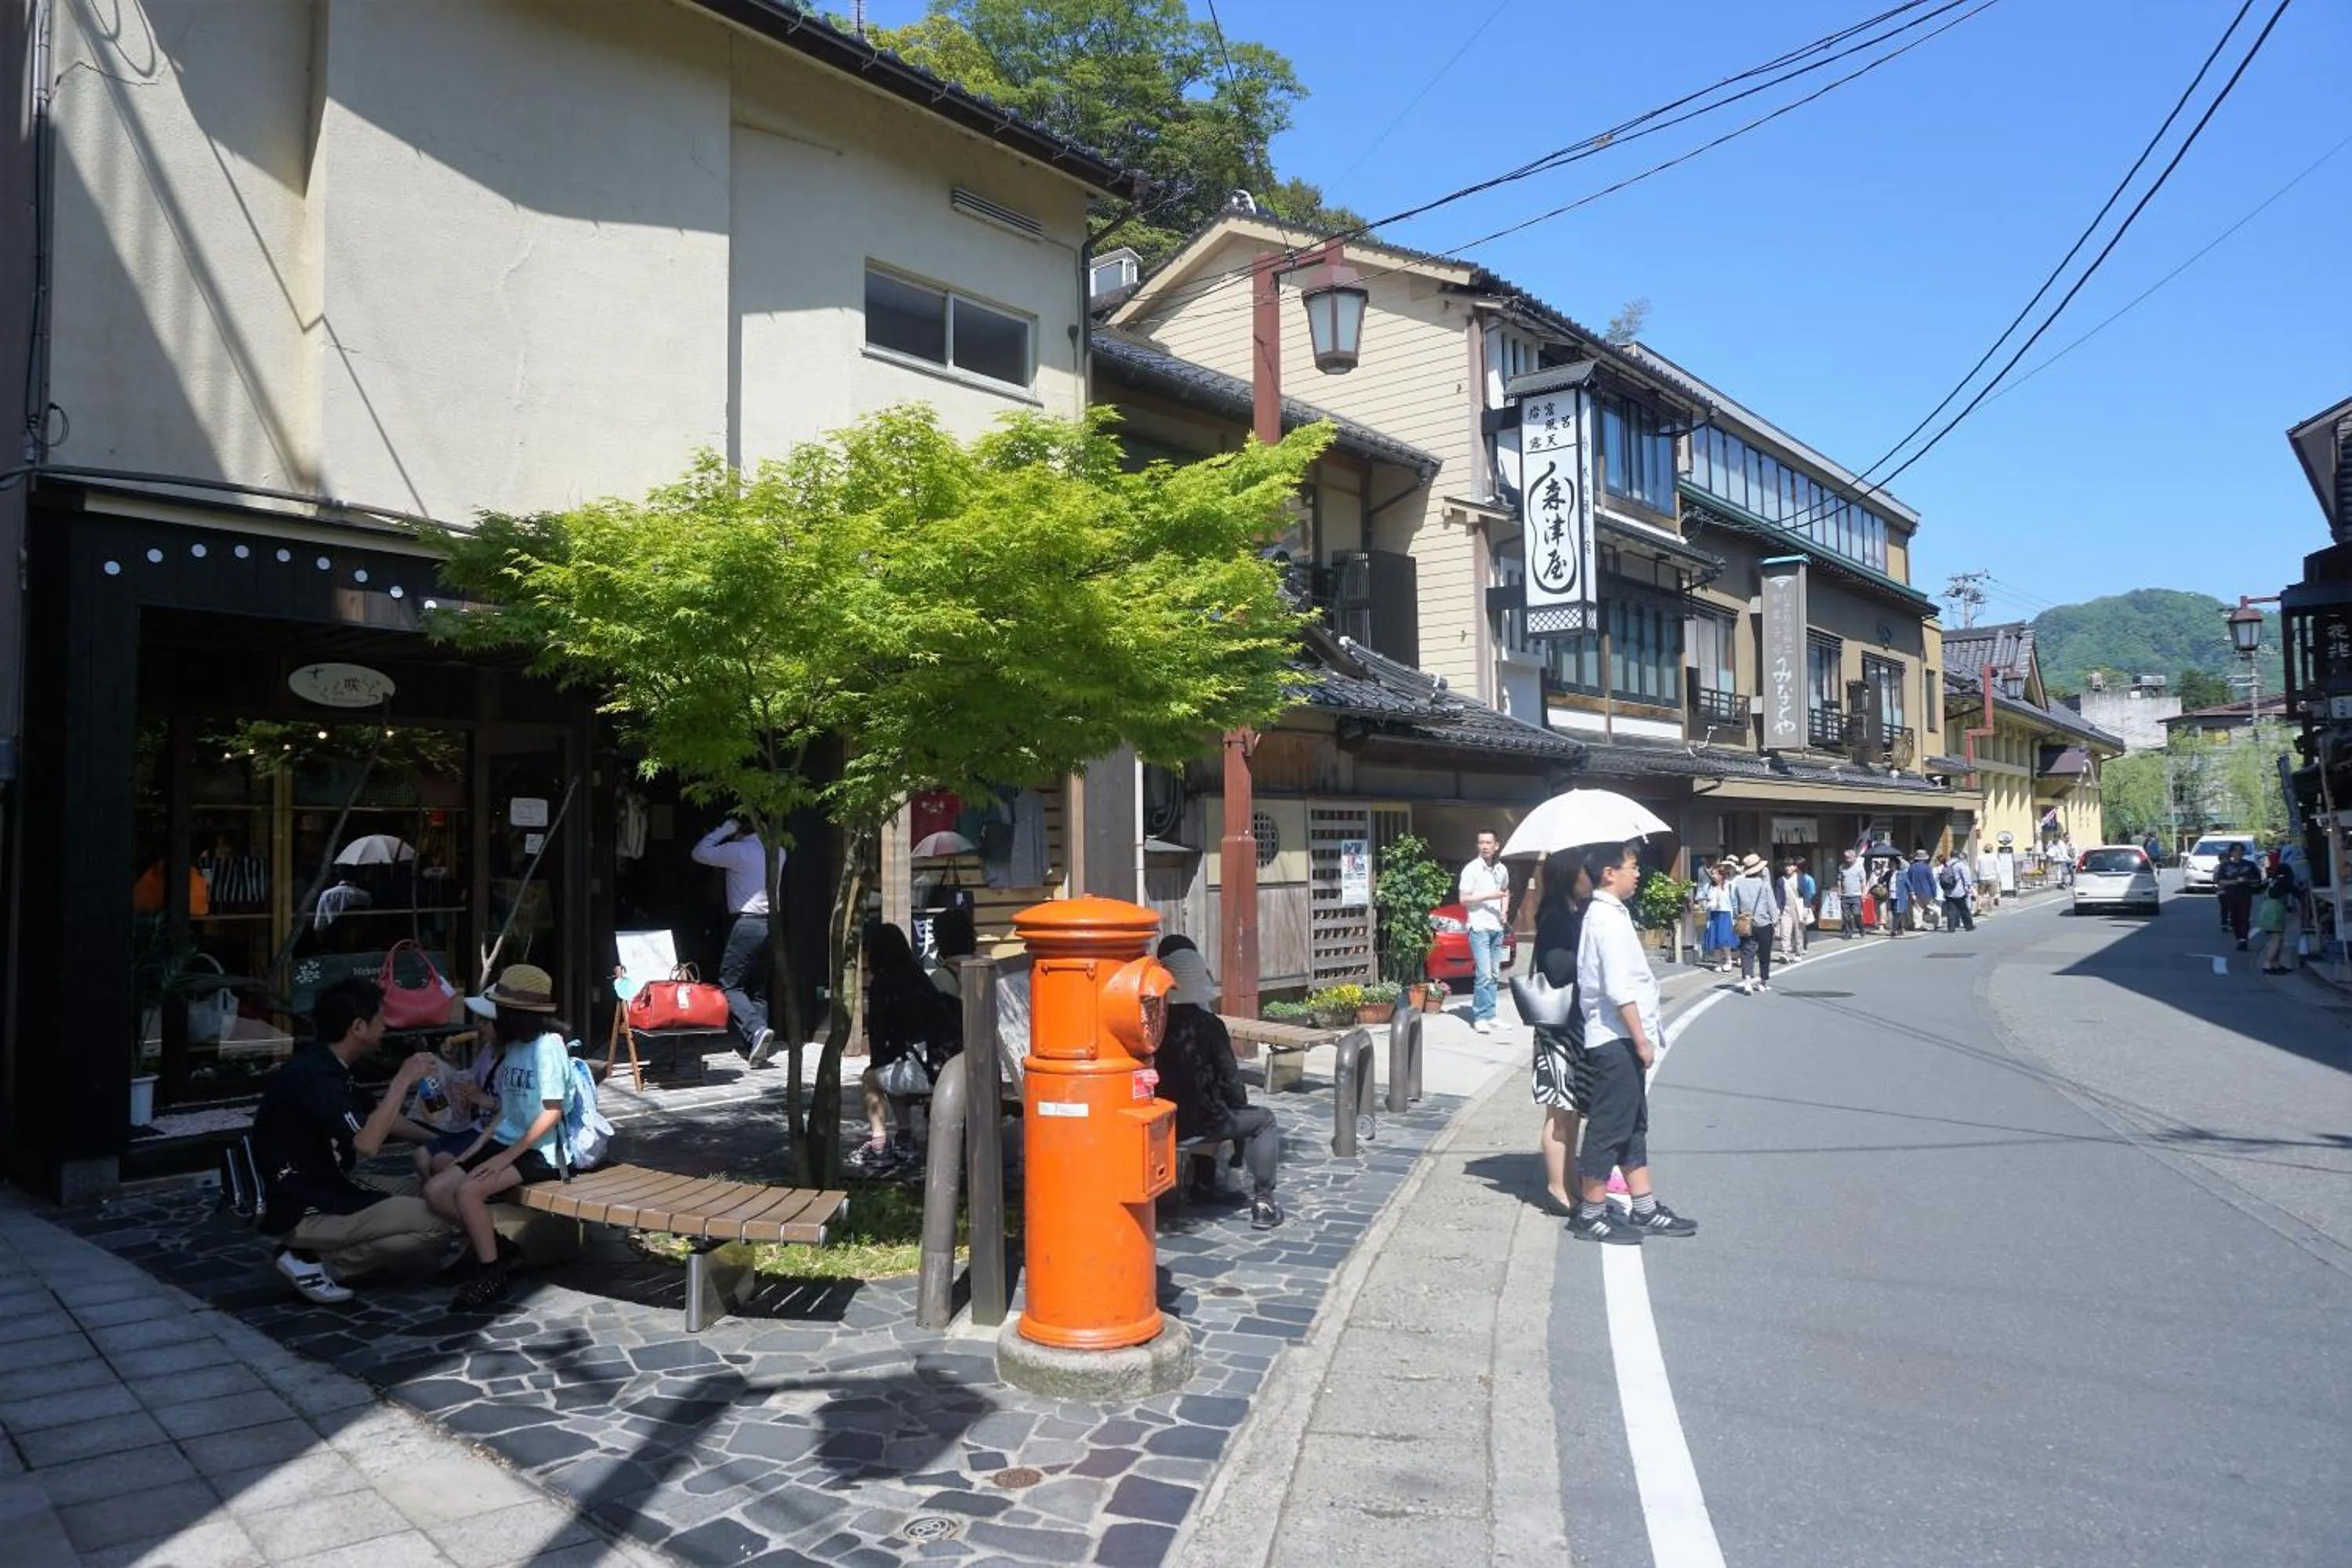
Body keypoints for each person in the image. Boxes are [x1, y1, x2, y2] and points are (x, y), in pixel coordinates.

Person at [250, 978, 455, 1304]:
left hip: (326, 1184)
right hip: (305, 1205)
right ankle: (318, 1262)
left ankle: (318, 1253)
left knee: (434, 1192)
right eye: (380, 1017)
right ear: (359, 1027)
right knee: (439, 1222)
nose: (386, 1025)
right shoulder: (318, 1080)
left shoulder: (324, 1063)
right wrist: (402, 1080)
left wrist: (444, 1141)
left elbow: (381, 1117)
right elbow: (367, 1144)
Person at [423, 964, 573, 1312]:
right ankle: (501, 1249)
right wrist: (473, 1154)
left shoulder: (549, 1047)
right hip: (507, 1141)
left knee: (468, 1191)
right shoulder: (515, 1047)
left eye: (499, 1011)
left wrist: (503, 1157)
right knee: (435, 1191)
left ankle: (491, 1274)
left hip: (542, 1149)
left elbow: (552, 1111)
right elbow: (506, 1110)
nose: (491, 1019)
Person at [1569, 839, 1696, 1244]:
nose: (1637, 872)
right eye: (1631, 865)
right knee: (1609, 1126)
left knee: (1633, 1124)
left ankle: (1643, 1206)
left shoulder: (1613, 913)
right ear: (1609, 873)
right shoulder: (1604, 919)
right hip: (1614, 1037)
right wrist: (1641, 1039)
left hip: (1621, 1035)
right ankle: (1589, 1213)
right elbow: (1617, 986)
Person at [1156, 938, 1284, 1229]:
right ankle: (1264, 1201)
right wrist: (1241, 1107)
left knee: (1206, 1100)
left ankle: (1203, 1185)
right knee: (1262, 1121)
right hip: (1204, 1125)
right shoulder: (1209, 1025)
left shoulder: (1152, 1023)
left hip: (1161, 1123)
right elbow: (1231, 1080)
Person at [850, 923, 963, 1173]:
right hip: (949, 1064)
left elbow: (878, 1038)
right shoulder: (919, 975)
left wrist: (877, 1065)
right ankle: (904, 1138)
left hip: (930, 1071)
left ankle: (879, 1146)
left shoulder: (883, 984)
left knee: (872, 1078)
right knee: (892, 1071)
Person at [1528, 854, 1593, 1213]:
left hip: (1568, 1025)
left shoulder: (1571, 912)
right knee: (1558, 1110)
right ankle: (1557, 1188)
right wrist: (1585, 953)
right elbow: (1556, 968)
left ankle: (1571, 1183)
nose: (1589, 879)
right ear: (1570, 875)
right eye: (1584, 872)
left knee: (1570, 1112)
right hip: (1556, 1029)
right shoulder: (1555, 917)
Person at [692, 815, 782, 1067]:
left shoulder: (740, 851)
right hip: (772, 923)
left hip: (747, 923)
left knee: (730, 985)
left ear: (738, 830)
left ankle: (755, 1030)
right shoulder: (779, 852)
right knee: (758, 989)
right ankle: (757, 1046)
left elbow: (700, 852)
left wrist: (723, 830)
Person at [1458, 830, 1513, 1033]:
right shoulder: (1471, 869)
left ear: (1496, 845)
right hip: (1479, 927)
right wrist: (1489, 895)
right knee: (1483, 974)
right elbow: (1463, 899)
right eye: (1481, 842)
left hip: (1496, 927)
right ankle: (1480, 1016)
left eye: (1488, 843)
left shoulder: (1501, 869)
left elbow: (1506, 891)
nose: (1484, 846)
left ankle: (1491, 1014)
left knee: (1494, 973)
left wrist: (1505, 911)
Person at [1729, 853, 1779, 995]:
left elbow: (1735, 904)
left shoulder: (1738, 883)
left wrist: (1737, 917)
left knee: (1747, 952)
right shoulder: (1764, 885)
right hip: (1763, 923)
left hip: (1746, 922)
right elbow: (1771, 904)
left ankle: (1747, 982)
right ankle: (1763, 981)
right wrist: (1776, 920)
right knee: (1764, 953)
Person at [2213, 842, 2262, 950]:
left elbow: (2258, 881)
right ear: (2231, 853)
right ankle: (2239, 937)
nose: (2238, 853)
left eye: (2241, 851)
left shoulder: (2250, 865)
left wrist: (2247, 881)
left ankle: (2243, 940)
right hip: (2230, 895)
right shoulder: (2225, 866)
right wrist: (2234, 881)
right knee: (2234, 918)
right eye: (2236, 851)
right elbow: (2220, 882)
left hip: (2245, 895)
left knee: (2244, 917)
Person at [2256, 855, 2299, 974]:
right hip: (2276, 911)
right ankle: (2268, 964)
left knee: (2277, 938)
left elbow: (2258, 889)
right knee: (2277, 939)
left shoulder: (2272, 880)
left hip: (2267, 909)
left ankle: (2276, 963)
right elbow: (2297, 892)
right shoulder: (2284, 881)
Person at [1700, 862, 1737, 972]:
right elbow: (1704, 900)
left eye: (1716, 874)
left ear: (1722, 875)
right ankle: (1719, 961)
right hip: (1713, 914)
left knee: (1725, 939)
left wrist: (1735, 916)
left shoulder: (1729, 885)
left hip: (1726, 913)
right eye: (1713, 874)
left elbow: (1734, 902)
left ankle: (1728, 960)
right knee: (1715, 939)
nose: (1714, 876)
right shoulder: (1710, 887)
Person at [1775, 858, 1809, 964]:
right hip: (1786, 908)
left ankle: (1798, 952)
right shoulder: (1781, 880)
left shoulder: (1800, 878)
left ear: (1795, 867)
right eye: (1786, 866)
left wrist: (1806, 908)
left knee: (1798, 931)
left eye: (1790, 866)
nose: (1788, 868)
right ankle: (1785, 952)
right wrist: (1777, 909)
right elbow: (1779, 896)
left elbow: (1806, 894)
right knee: (1785, 931)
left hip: (1798, 907)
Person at [1938, 848, 1976, 932]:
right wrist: (1968, 887)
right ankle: (1969, 925)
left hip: (1948, 891)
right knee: (1964, 909)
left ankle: (1951, 928)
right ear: (1958, 855)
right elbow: (1966, 877)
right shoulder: (1961, 865)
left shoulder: (1946, 864)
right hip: (1959, 890)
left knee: (1951, 910)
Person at [1904, 850, 1941, 933]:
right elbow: (1931, 881)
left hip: (1916, 892)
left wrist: (1911, 891)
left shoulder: (1911, 868)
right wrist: (1934, 893)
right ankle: (1937, 923)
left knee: (1917, 909)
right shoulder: (1927, 868)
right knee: (1932, 908)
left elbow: (1908, 880)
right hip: (1927, 892)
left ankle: (1918, 925)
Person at [1836, 849, 1866, 939]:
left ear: (1854, 858)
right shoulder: (1842, 867)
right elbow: (1839, 880)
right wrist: (1839, 891)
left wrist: (1864, 892)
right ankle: (1848, 933)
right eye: (1846, 858)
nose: (1847, 860)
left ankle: (1861, 929)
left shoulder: (1859, 867)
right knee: (1846, 916)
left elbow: (1863, 880)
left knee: (1857, 914)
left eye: (1849, 858)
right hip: (1845, 895)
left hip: (1856, 895)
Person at [1976, 841, 2002, 912]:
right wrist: (1998, 879)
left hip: (1982, 878)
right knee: (1991, 895)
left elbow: (1976, 869)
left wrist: (1978, 876)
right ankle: (1990, 909)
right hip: (1992, 878)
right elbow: (1998, 870)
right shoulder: (1994, 858)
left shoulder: (1980, 857)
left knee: (1980, 894)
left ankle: (1979, 907)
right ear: (1992, 849)